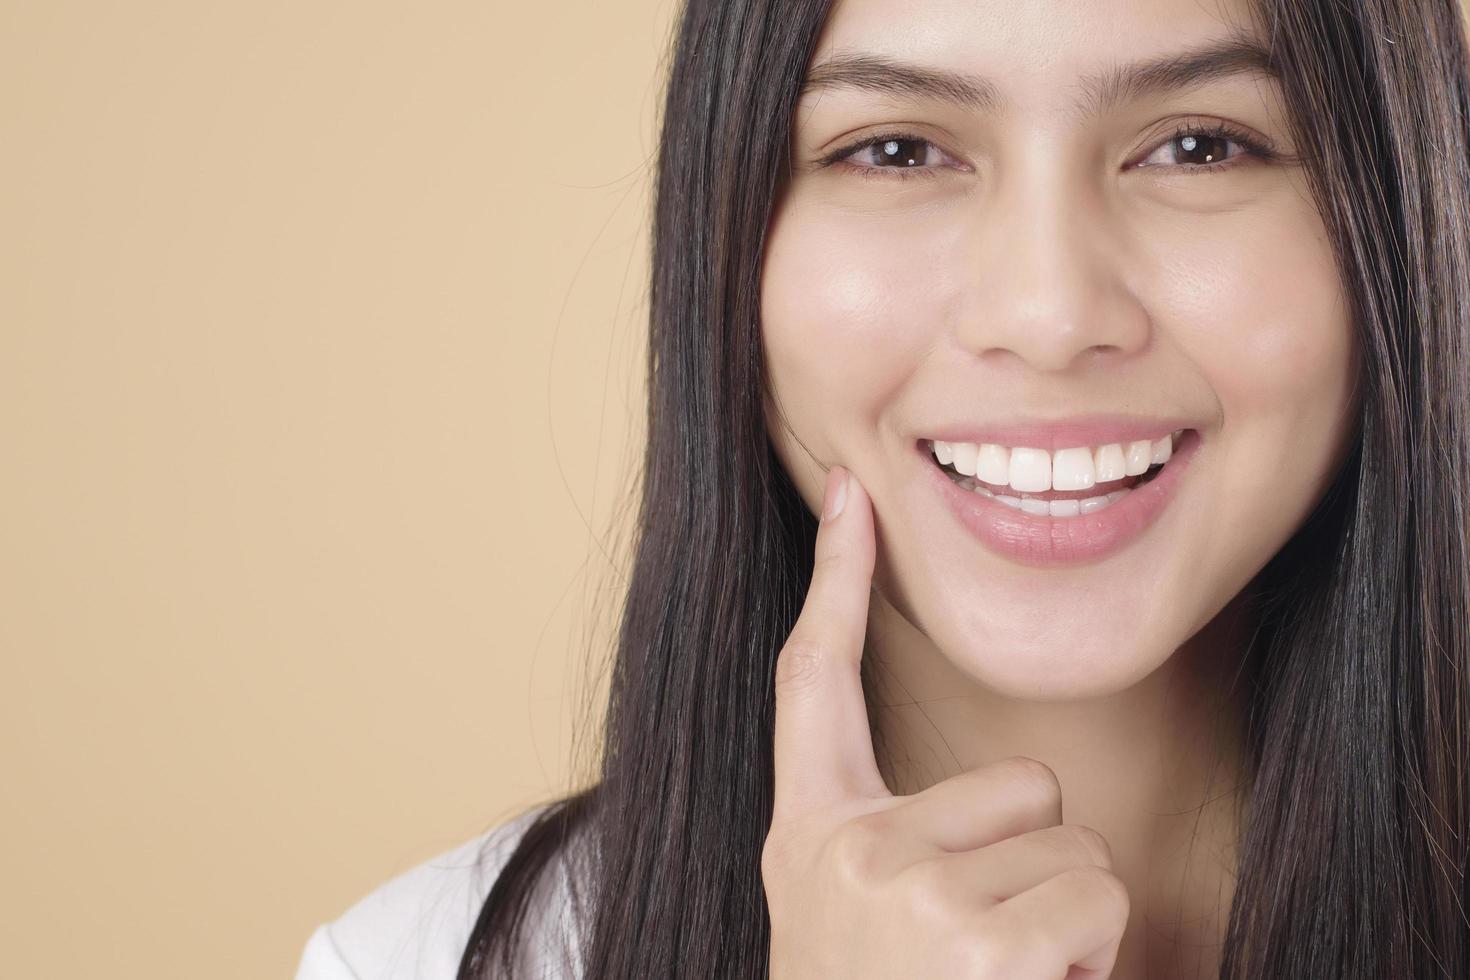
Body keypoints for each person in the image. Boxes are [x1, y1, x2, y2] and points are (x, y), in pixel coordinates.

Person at [294, 0, 1470, 975]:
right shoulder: (429, 957)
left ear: (1399, 220)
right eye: (897, 149)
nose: (1049, 315)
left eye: (1202, 144)